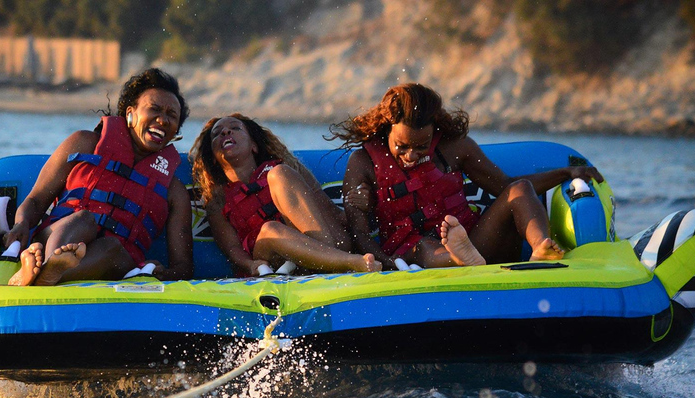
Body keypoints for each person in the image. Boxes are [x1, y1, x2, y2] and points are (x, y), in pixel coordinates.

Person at [328, 83, 604, 270]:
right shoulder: (363, 162)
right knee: (423, 247)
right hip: (413, 253)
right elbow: (359, 235)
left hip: (476, 241)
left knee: (519, 188)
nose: (411, 155)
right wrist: (385, 260)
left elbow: (505, 187)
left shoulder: (456, 147)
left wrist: (566, 172)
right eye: (402, 147)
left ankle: (541, 249)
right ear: (387, 127)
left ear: (435, 130)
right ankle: (459, 259)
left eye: (421, 146)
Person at [5, 68, 194, 285]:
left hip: (111, 262)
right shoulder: (84, 143)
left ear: (175, 132)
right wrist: (21, 223)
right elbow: (36, 200)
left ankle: (44, 276)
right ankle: (52, 264)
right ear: (130, 113)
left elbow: (184, 267)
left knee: (112, 247)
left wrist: (164, 274)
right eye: (155, 109)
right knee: (83, 219)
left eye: (172, 116)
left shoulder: (174, 191)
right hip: (60, 235)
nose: (162, 120)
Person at [189, 113, 382, 276]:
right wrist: (250, 265)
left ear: (254, 146)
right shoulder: (217, 199)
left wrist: (364, 205)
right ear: (213, 158)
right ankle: (344, 263)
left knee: (279, 173)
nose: (225, 132)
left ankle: (330, 261)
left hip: (327, 242)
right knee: (270, 229)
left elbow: (331, 212)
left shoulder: (286, 169)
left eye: (236, 128)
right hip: (272, 260)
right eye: (217, 134)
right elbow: (232, 249)